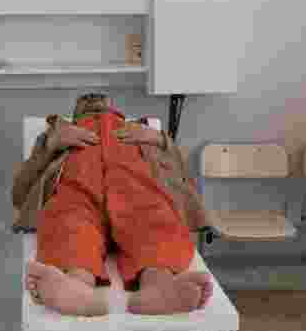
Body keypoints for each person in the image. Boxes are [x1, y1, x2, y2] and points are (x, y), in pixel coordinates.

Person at [14, 94, 215, 317]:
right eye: (87, 101)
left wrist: (159, 140)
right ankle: (75, 285)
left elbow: (179, 175)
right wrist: (50, 144)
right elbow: (21, 190)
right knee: (70, 223)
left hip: (136, 191)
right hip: (79, 191)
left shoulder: (139, 130)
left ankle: (159, 285)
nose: (95, 102)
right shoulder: (60, 133)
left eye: (100, 99)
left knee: (154, 220)